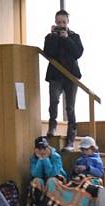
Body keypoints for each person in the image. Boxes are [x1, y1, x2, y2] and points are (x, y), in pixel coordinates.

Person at [43, 9, 83, 148]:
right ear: (55, 22)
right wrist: (54, 37)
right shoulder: (50, 37)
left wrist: (66, 38)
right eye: (59, 22)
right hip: (55, 76)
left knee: (70, 107)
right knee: (54, 101)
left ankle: (71, 138)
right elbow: (49, 53)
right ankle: (52, 126)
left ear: (68, 22)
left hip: (71, 76)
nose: (61, 24)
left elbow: (78, 53)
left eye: (63, 22)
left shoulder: (74, 36)